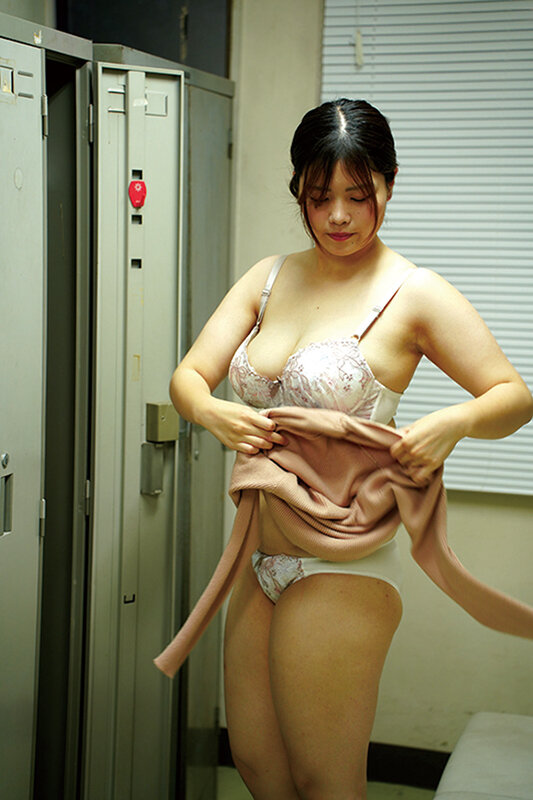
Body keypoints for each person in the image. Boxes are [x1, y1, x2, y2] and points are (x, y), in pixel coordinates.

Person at [169, 99, 533, 800]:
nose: (338, 216)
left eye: (358, 196)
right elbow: (188, 375)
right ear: (299, 192)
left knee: (325, 784)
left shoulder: (414, 293)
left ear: (389, 184)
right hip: (257, 556)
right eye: (318, 197)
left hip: (341, 565)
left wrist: (455, 421)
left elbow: (513, 397)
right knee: (258, 768)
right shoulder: (269, 277)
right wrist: (211, 411)